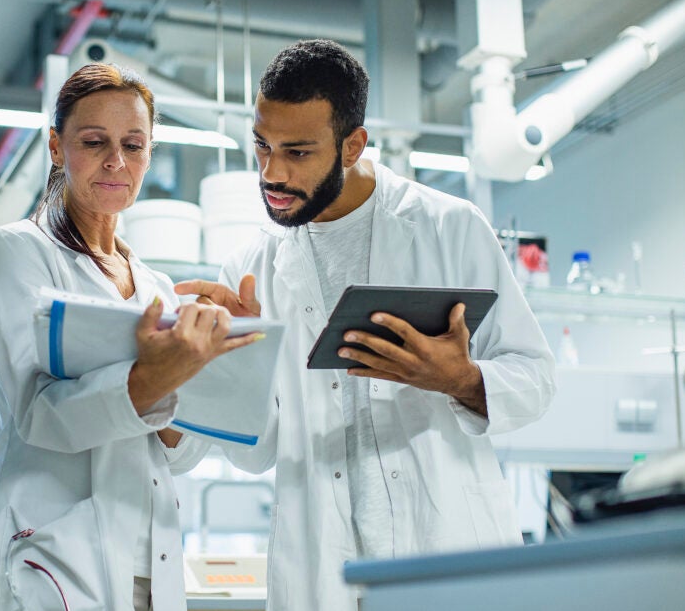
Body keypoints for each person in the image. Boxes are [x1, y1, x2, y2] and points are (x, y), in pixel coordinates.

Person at [171, 39, 556, 610]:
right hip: (321, 570)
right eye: (261, 146)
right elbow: (256, 454)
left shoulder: (447, 227)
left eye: (297, 152)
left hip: (443, 550)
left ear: (352, 145)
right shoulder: (250, 268)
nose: (271, 173)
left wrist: (462, 380)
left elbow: (537, 378)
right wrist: (243, 365)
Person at [0, 63, 258, 611]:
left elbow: (178, 454)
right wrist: (150, 380)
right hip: (52, 556)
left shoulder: (157, 287)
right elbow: (38, 415)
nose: (116, 162)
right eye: (94, 141)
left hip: (149, 564)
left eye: (134, 145)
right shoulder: (15, 255)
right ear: (56, 147)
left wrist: (229, 358)